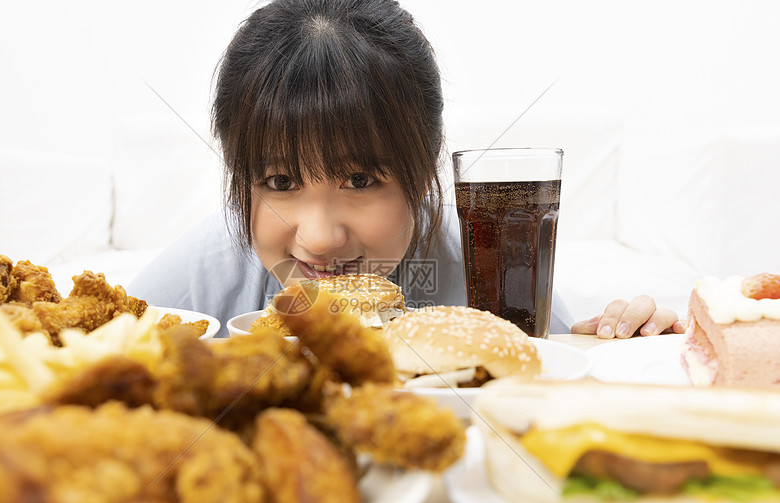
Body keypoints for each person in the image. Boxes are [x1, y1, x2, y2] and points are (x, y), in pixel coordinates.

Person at [128, 0, 684, 340]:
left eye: (360, 180)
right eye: (280, 183)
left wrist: (629, 342)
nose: (318, 239)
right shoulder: (197, 279)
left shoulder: (487, 274)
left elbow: (560, 382)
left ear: (422, 173)